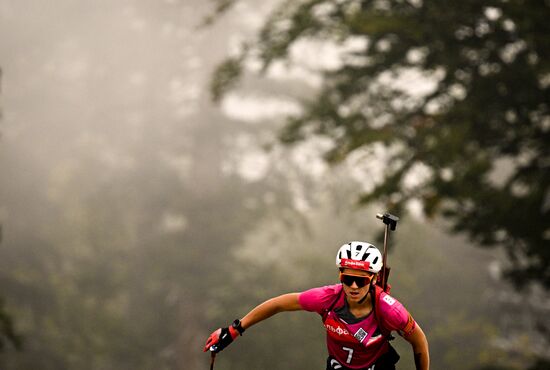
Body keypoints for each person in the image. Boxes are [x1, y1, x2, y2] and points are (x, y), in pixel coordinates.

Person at [203, 241, 430, 370]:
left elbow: (419, 342)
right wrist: (234, 329)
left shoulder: (389, 309)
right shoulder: (327, 297)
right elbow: (279, 304)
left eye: (360, 280)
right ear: (339, 274)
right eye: (346, 278)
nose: (352, 286)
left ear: (372, 278)